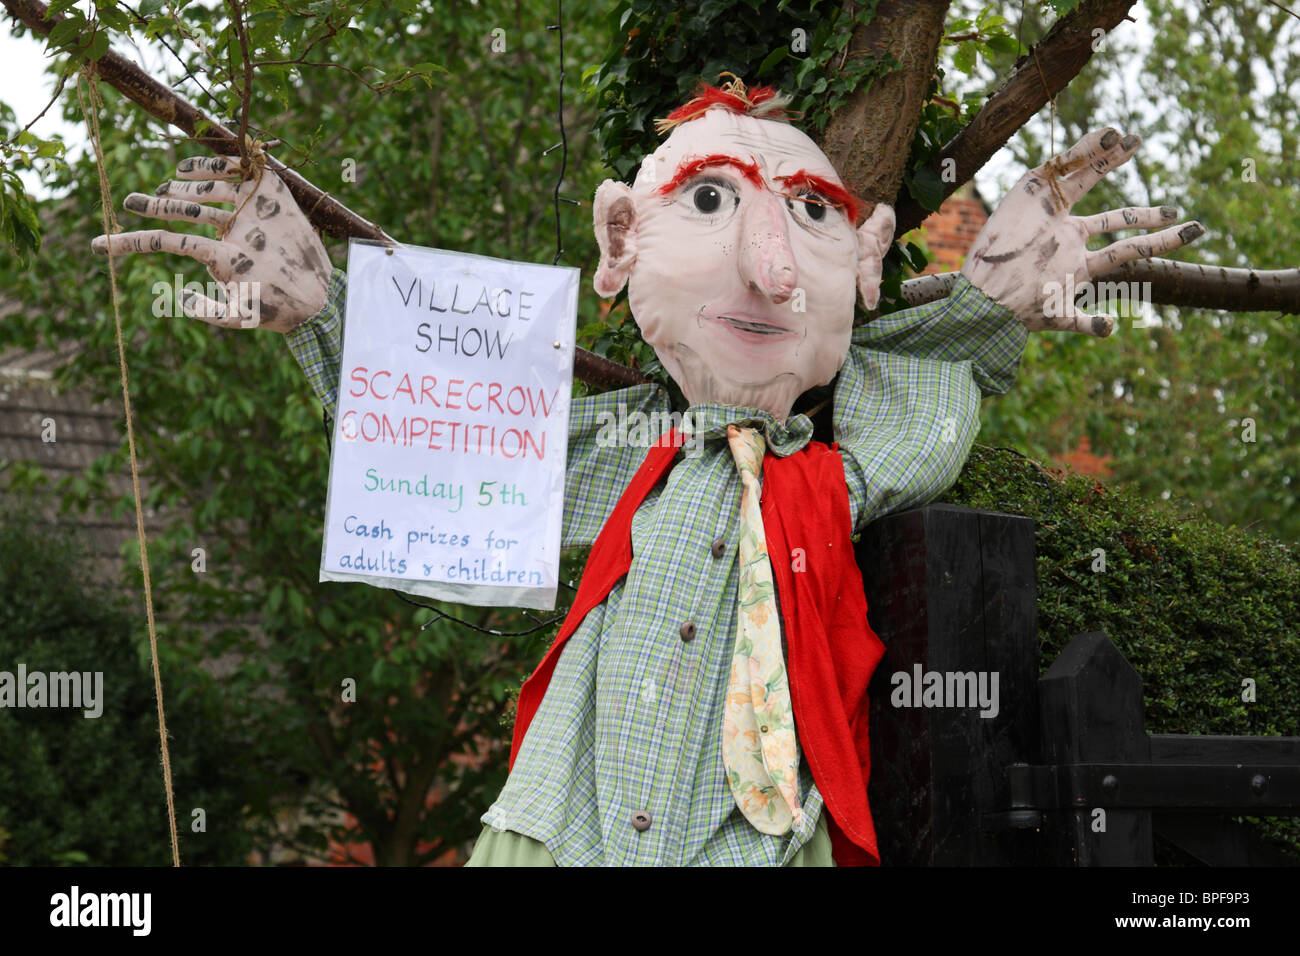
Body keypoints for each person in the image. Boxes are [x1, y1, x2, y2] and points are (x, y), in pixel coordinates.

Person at [92, 77, 1202, 866]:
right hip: (562, 818)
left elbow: (927, 377)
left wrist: (984, 303)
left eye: (814, 218)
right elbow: (437, 438)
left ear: (866, 269)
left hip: (761, 831)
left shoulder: (860, 453)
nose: (770, 267)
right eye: (710, 200)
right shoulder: (619, 448)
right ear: (619, 243)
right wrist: (322, 316)